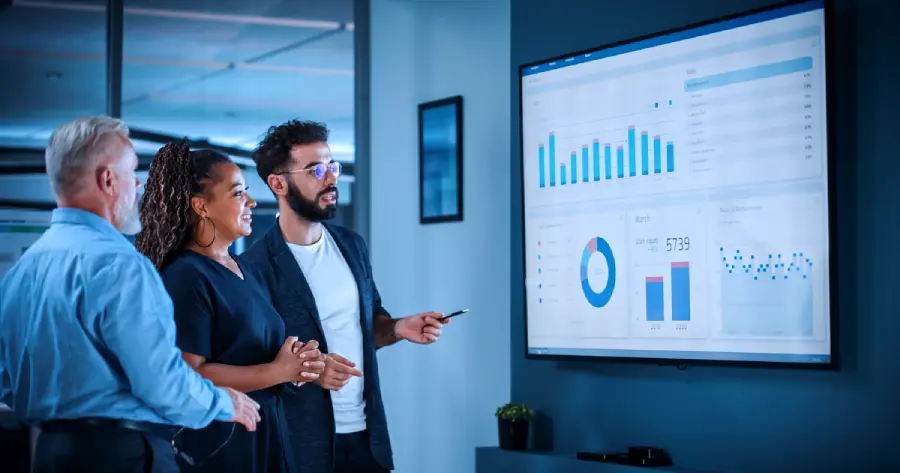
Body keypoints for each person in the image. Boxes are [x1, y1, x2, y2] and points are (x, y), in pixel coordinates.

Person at [0, 116, 261, 473]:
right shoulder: (119, 265)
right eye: (132, 172)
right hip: (122, 454)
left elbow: (6, 380)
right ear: (108, 180)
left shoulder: (22, 272)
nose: (138, 184)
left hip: (50, 454)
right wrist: (224, 403)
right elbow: (162, 382)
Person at [241, 119, 450, 473]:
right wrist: (311, 371)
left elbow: (369, 325)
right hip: (301, 446)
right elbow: (257, 362)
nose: (331, 178)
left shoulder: (351, 246)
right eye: (316, 169)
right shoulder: (254, 267)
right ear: (278, 183)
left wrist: (399, 328)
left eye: (332, 166)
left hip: (367, 439)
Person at [133, 140, 326, 473]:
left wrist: (301, 363)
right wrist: (276, 371)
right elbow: (187, 375)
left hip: (265, 437)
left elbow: (256, 353)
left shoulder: (245, 269)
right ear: (201, 206)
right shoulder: (185, 276)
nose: (251, 201)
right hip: (220, 448)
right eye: (238, 194)